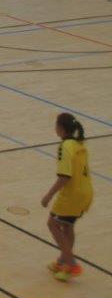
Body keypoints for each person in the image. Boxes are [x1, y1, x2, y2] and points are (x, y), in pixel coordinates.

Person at [41, 113, 93, 281]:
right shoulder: (79, 144)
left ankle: (71, 263)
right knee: (67, 226)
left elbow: (65, 176)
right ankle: (63, 261)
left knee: (53, 224)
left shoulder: (65, 146)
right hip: (86, 192)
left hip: (72, 194)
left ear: (60, 128)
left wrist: (48, 195)